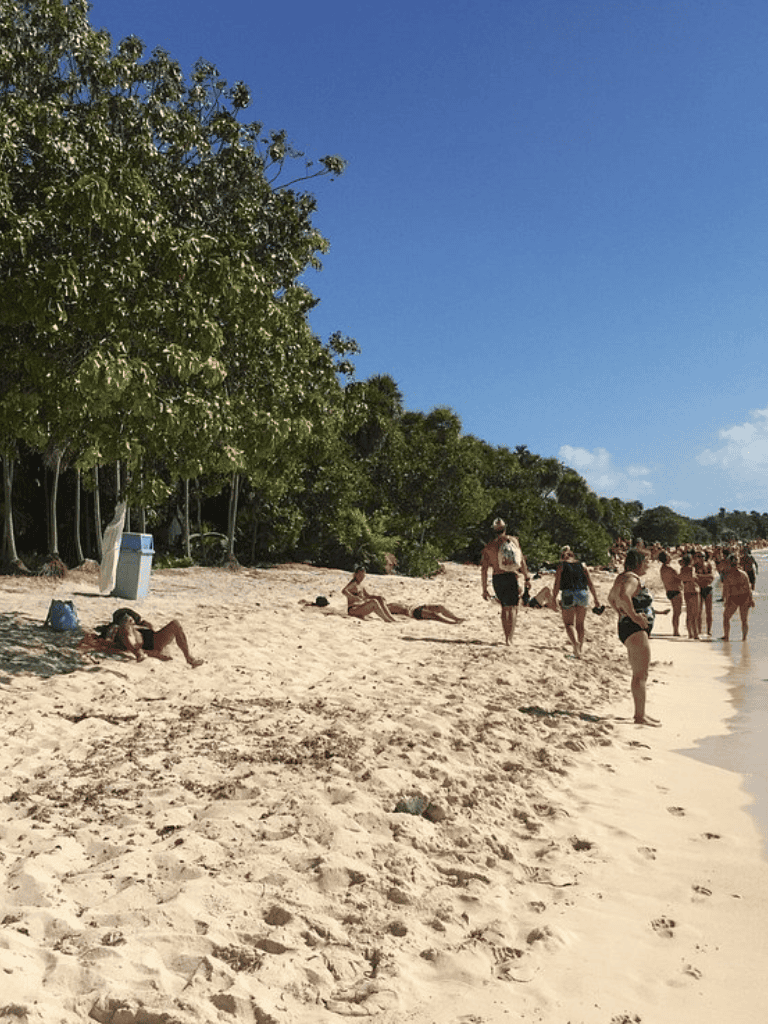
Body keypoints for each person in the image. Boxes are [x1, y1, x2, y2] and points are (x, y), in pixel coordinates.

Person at [607, 547, 660, 727]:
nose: (649, 564)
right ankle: (640, 716)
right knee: (641, 674)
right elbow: (623, 596)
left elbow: (611, 598)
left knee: (639, 673)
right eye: (646, 561)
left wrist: (622, 613)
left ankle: (641, 713)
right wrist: (634, 616)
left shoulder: (621, 577)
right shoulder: (632, 579)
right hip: (635, 630)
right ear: (638, 562)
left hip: (628, 628)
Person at [480, 518, 531, 645]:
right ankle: (510, 639)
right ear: (505, 528)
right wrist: (527, 578)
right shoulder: (514, 541)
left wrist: (484, 589)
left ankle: (506, 636)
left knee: (504, 607)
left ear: (493, 530)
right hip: (511, 576)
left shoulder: (489, 547)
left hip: (498, 578)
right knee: (513, 608)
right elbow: (522, 561)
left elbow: (484, 570)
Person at [104, 608, 203, 667]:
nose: (128, 617)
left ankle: (189, 658)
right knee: (126, 628)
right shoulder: (117, 628)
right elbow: (108, 642)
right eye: (124, 616)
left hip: (153, 641)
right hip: (136, 646)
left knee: (175, 624)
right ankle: (138, 654)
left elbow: (153, 633)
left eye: (129, 615)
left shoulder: (144, 624)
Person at [550, 546, 600, 657]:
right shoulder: (583, 565)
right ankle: (580, 650)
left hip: (568, 594)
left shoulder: (561, 566)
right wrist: (596, 599)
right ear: (573, 556)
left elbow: (557, 584)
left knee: (569, 624)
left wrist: (553, 598)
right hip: (583, 594)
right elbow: (590, 583)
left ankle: (575, 644)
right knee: (580, 624)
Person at [721, 554, 755, 641]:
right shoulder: (728, 575)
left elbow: (748, 588)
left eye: (735, 565)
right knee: (726, 617)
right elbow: (726, 589)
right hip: (733, 598)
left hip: (744, 597)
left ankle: (744, 638)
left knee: (744, 620)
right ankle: (726, 636)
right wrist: (726, 600)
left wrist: (751, 599)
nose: (733, 567)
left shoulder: (743, 574)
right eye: (732, 565)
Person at [658, 550, 683, 637]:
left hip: (669, 591)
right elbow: (680, 577)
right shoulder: (670, 569)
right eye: (669, 555)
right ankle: (676, 631)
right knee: (677, 612)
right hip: (676, 591)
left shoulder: (662, 569)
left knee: (676, 612)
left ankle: (676, 630)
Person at [678, 553, 700, 640]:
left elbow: (683, 578)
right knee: (695, 613)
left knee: (689, 613)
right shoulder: (692, 568)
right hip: (694, 590)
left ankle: (690, 633)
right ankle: (695, 634)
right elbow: (693, 577)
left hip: (686, 590)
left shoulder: (682, 569)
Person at [693, 550, 715, 636]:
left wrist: (700, 577)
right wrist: (705, 577)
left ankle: (709, 630)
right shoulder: (694, 566)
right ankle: (699, 630)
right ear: (695, 558)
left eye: (702, 556)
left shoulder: (708, 565)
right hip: (699, 589)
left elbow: (712, 577)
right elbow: (694, 578)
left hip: (708, 588)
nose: (701, 558)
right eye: (699, 556)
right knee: (699, 611)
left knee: (709, 611)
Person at [388, 602, 464, 623]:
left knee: (440, 607)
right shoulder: (388, 608)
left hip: (417, 606)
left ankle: (456, 618)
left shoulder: (390, 604)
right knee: (434, 615)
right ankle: (449, 622)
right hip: (413, 612)